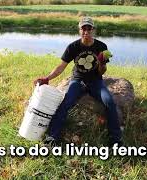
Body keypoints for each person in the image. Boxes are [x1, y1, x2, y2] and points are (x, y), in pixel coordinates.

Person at [34, 17, 122, 147]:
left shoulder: (102, 47)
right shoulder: (73, 47)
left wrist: (102, 62)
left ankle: (115, 140)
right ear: (79, 30)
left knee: (109, 102)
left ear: (93, 30)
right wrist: (47, 78)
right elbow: (61, 66)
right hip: (77, 81)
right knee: (65, 103)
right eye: (83, 28)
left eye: (89, 28)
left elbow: (102, 71)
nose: (86, 31)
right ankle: (52, 137)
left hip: (95, 81)